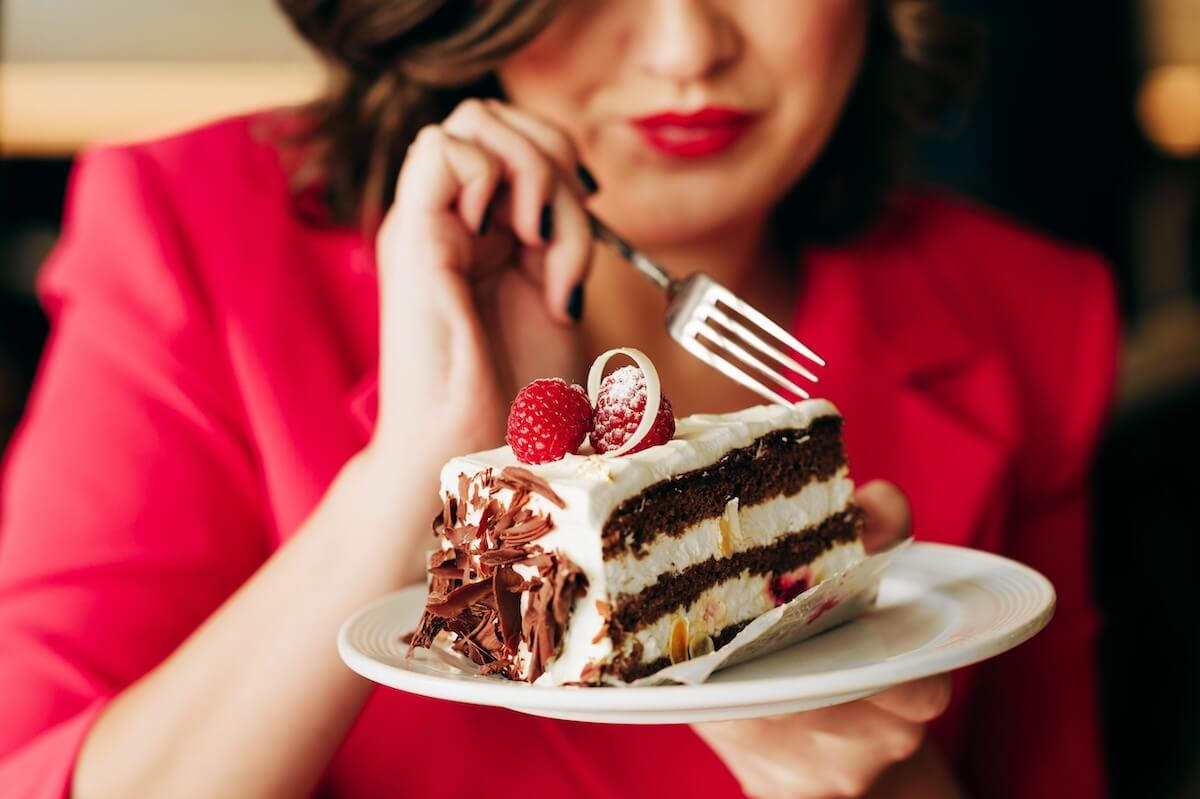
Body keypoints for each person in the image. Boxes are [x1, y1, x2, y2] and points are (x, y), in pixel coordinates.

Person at [0, 1, 1117, 797]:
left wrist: (875, 784)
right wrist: (418, 473)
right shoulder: (198, 233)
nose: (688, 47)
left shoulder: (1024, 313)